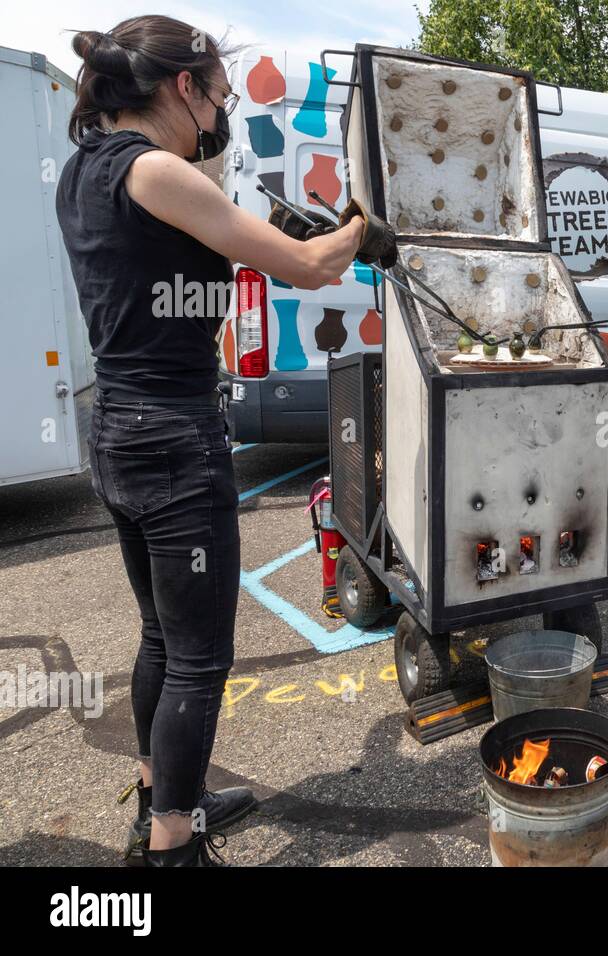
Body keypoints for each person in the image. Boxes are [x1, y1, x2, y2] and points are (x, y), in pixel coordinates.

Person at [57, 16, 394, 866]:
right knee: (201, 659)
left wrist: (239, 183)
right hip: (174, 438)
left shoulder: (86, 171)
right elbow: (310, 267)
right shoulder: (157, 170)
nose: (227, 110)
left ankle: (161, 795)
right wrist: (362, 227)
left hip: (120, 429)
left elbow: (186, 241)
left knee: (159, 638)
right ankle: (171, 844)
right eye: (219, 95)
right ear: (182, 88)